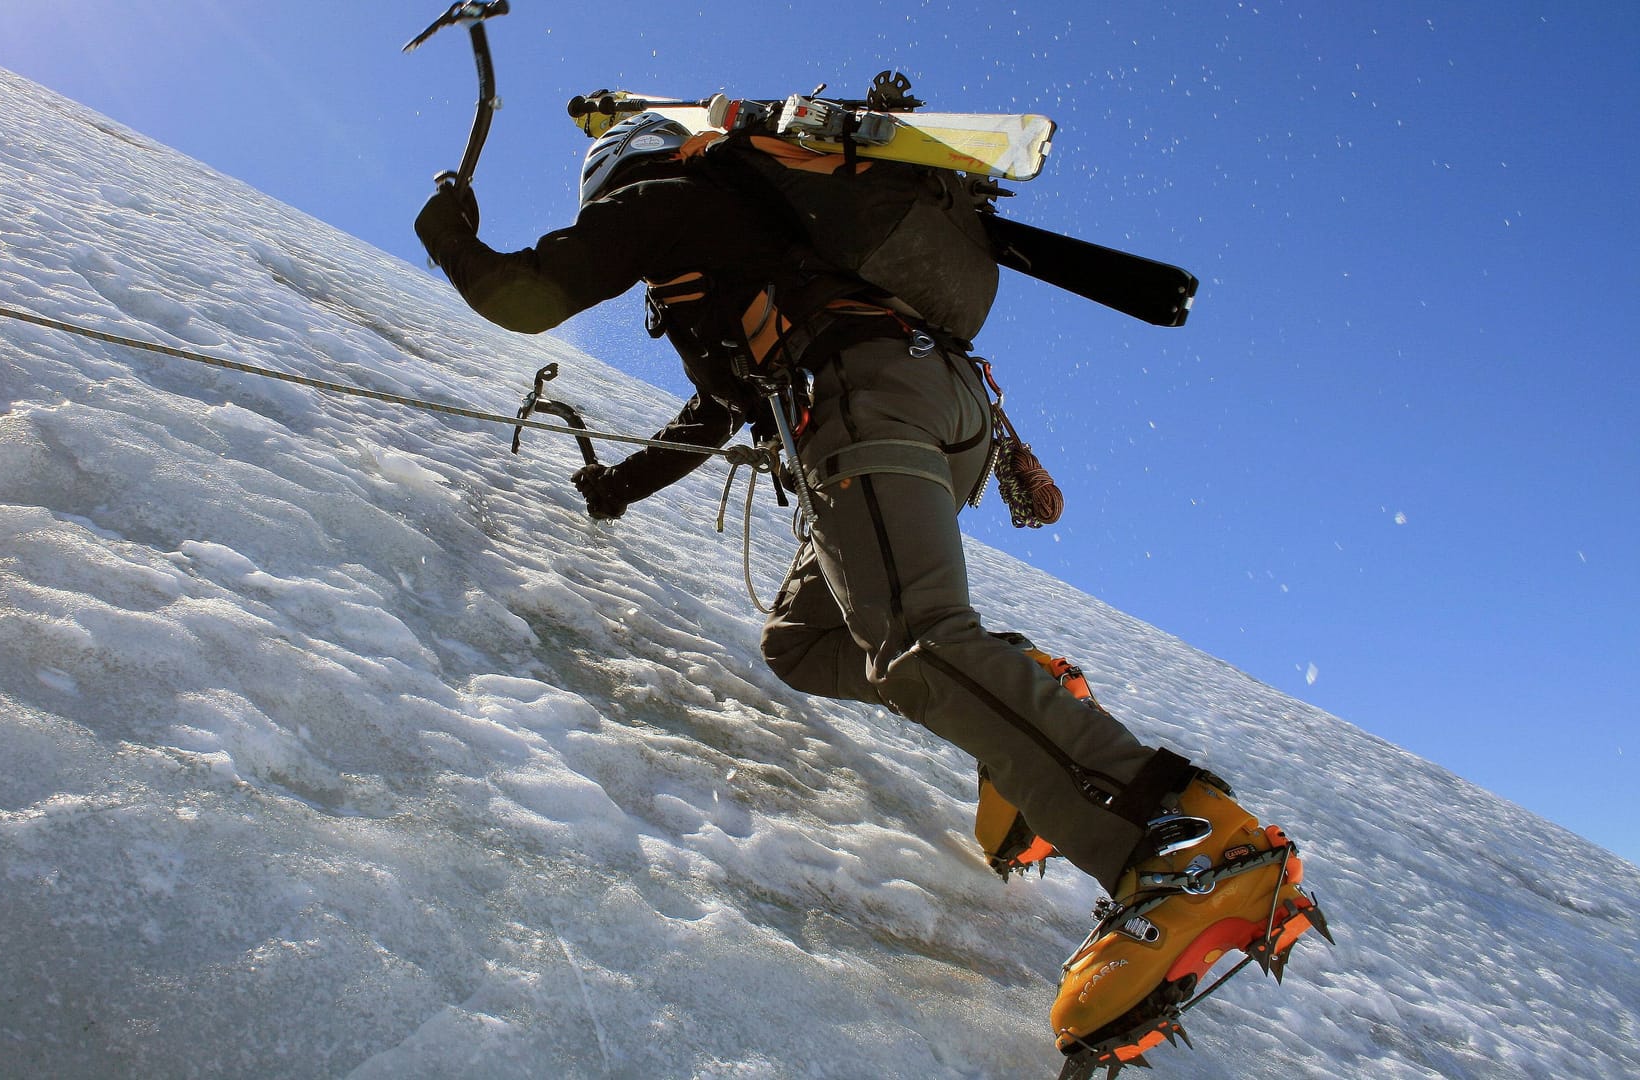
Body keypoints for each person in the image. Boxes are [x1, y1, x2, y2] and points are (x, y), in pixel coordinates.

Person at [415, 110, 1325, 1072]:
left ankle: (1183, 845)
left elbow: (522, 297)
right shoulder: (745, 251)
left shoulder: (668, 198)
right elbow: (717, 411)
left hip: (863, 393)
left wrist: (447, 231)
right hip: (925, 400)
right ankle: (1030, 700)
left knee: (918, 639)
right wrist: (622, 486)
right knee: (804, 645)